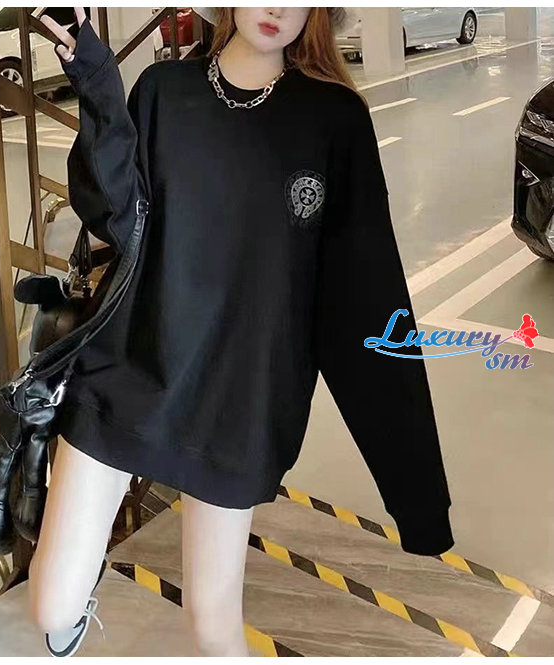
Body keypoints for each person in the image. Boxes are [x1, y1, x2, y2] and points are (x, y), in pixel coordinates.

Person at [28, 7, 455, 657]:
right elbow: (113, 215)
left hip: (240, 404)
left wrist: (416, 494)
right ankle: (73, 604)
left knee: (212, 623)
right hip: (130, 370)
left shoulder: (333, 119)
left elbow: (366, 301)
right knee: (51, 605)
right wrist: (93, 74)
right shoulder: (165, 91)